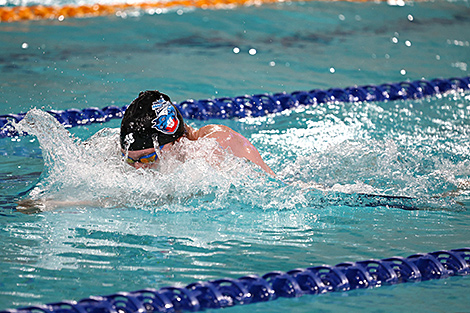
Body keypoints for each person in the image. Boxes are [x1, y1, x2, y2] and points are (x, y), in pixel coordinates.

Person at [120, 90, 276, 176]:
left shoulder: (215, 145)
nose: (138, 168)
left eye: (148, 158)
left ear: (178, 140)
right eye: (130, 160)